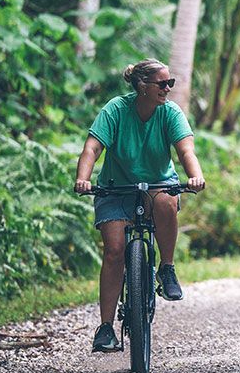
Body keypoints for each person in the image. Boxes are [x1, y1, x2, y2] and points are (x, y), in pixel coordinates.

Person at [74, 58, 205, 353]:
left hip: (157, 185)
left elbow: (186, 150)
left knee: (167, 204)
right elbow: (92, 147)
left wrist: (195, 176)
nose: (168, 89)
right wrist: (83, 178)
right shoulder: (116, 110)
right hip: (115, 187)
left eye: (170, 83)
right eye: (163, 83)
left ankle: (167, 269)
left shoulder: (170, 113)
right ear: (142, 86)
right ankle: (106, 328)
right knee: (114, 251)